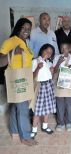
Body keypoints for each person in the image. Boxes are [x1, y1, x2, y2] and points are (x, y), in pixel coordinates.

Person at [0, 18, 37, 146]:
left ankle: (15, 132)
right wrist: (12, 52)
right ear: (18, 28)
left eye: (29, 29)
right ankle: (25, 136)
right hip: (15, 79)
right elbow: (1, 62)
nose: (26, 31)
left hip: (23, 78)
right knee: (23, 108)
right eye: (24, 28)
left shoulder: (25, 42)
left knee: (16, 107)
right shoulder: (10, 42)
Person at [31, 44, 56, 139]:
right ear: (42, 50)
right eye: (46, 51)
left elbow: (51, 77)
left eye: (50, 53)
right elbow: (32, 76)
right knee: (37, 110)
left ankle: (45, 126)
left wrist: (52, 71)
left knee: (47, 108)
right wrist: (38, 67)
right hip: (40, 87)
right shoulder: (35, 61)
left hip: (49, 86)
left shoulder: (49, 63)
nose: (48, 53)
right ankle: (34, 129)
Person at [53, 42, 71, 131]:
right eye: (62, 48)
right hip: (58, 85)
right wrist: (59, 62)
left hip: (69, 86)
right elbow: (54, 71)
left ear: (69, 49)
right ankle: (60, 123)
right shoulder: (57, 57)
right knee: (59, 105)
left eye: (66, 48)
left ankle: (68, 123)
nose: (64, 50)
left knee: (68, 105)